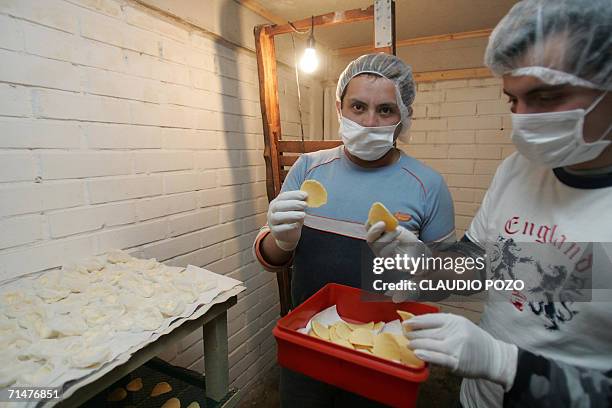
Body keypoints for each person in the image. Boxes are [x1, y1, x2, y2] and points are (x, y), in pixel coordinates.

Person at [367, 0, 612, 406]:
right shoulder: (518, 169)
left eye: (547, 97)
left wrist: (507, 365)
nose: (524, 121)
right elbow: (479, 266)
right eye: (513, 101)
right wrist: (421, 262)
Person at [253, 53, 455, 407]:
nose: (369, 121)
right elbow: (272, 258)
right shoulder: (308, 168)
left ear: (403, 116)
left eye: (386, 110)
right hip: (308, 341)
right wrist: (281, 239)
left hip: (382, 354)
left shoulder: (427, 185)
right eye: (358, 106)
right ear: (339, 108)